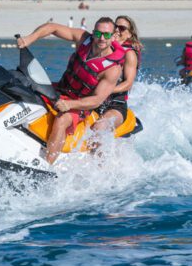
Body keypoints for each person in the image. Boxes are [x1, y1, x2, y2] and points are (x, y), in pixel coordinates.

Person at [17, 17, 125, 164]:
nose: (101, 38)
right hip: (60, 89)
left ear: (113, 37)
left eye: (106, 35)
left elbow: (97, 100)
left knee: (62, 120)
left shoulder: (112, 69)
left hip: (79, 104)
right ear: (93, 33)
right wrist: (30, 38)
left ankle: (47, 165)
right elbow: (52, 27)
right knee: (20, 82)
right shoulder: (84, 39)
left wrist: (70, 105)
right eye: (98, 34)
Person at [94, 16, 142, 132]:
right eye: (116, 27)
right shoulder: (103, 47)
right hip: (94, 100)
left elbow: (128, 83)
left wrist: (105, 90)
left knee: (99, 127)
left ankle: (99, 150)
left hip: (115, 104)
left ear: (130, 34)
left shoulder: (129, 54)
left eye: (122, 28)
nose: (117, 31)